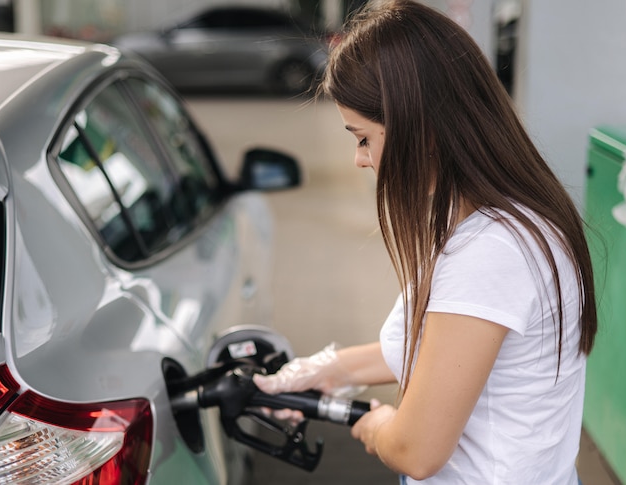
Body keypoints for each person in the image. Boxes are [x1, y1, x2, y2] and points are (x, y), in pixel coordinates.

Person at [252, 1, 598, 484]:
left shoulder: (491, 252)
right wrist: (328, 369)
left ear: (424, 130)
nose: (360, 159)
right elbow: (448, 350)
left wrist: (377, 426)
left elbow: (417, 451)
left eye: (364, 138)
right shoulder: (504, 218)